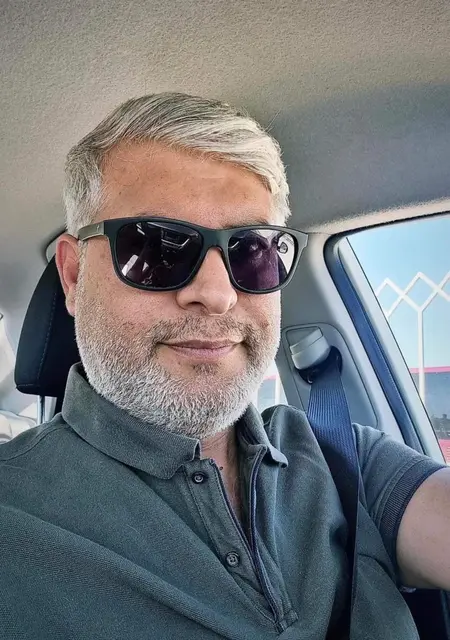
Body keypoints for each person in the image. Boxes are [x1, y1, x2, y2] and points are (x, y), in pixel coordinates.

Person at [1, 93, 449, 640]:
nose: (217, 295)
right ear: (74, 277)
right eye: (157, 249)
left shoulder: (343, 457)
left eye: (252, 251)